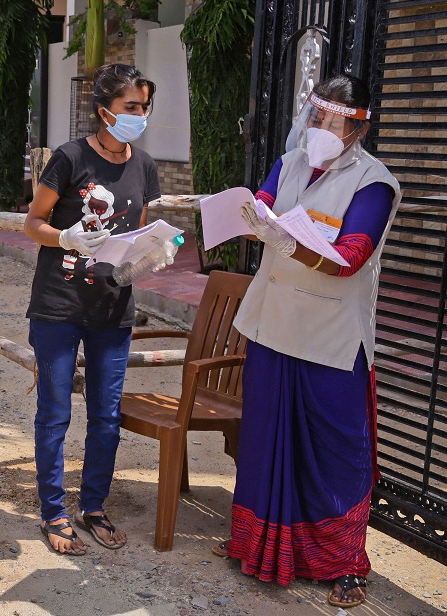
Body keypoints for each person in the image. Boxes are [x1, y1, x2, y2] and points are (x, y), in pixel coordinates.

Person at [219, 75, 401, 610]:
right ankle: (261, 547)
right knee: (265, 437)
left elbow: (351, 258)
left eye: (336, 120)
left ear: (358, 126)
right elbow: (264, 209)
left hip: (330, 338)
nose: (322, 127)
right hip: (272, 325)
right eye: (317, 116)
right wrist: (251, 220)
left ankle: (344, 564)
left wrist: (289, 241)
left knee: (336, 448)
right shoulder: (291, 160)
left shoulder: (374, 182)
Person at [22, 63, 178, 555]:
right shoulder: (68, 158)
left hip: (114, 308)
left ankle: (93, 506)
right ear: (104, 111)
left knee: (106, 417)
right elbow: (33, 222)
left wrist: (155, 254)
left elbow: (137, 236)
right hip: (58, 305)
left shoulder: (145, 165)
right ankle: (52, 513)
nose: (139, 115)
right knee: (54, 415)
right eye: (132, 107)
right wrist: (65, 236)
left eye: (144, 107)